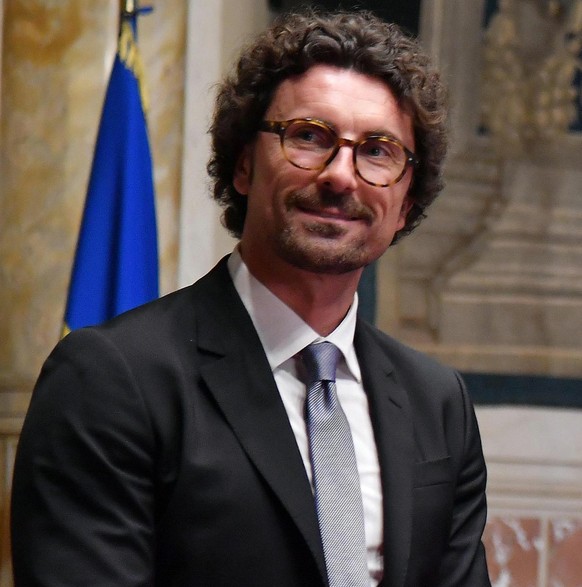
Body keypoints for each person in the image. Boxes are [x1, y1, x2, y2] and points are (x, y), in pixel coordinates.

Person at [11, 10, 491, 587]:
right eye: (309, 137)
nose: (342, 175)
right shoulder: (112, 379)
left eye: (378, 151)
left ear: (407, 202)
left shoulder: (438, 402)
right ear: (244, 164)